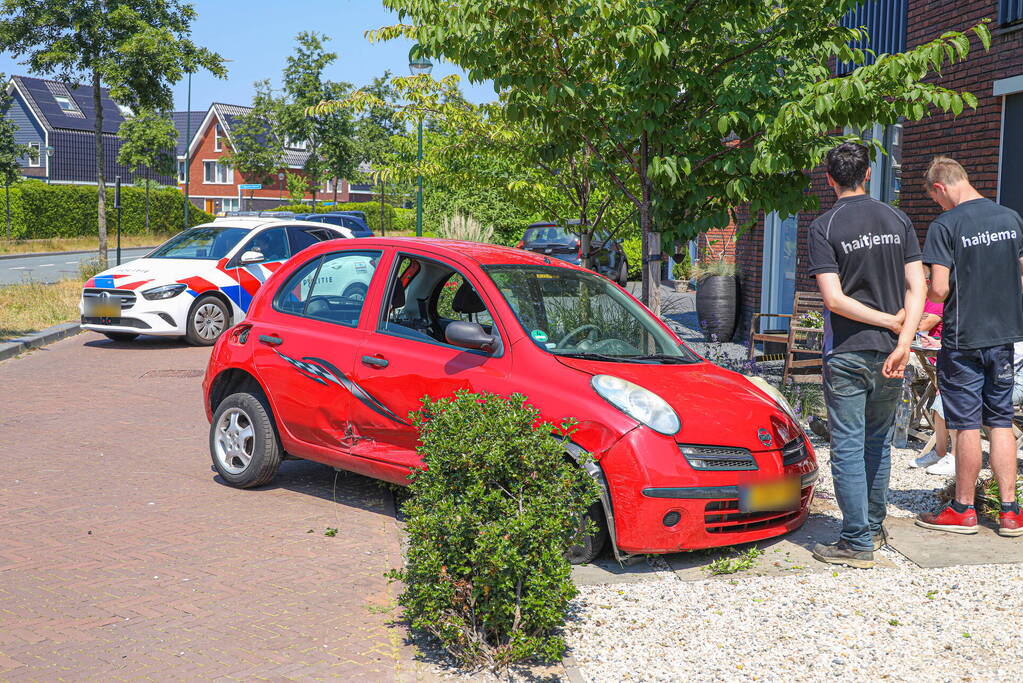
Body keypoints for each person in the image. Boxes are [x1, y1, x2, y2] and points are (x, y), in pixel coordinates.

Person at [808, 142, 927, 568]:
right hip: (891, 355)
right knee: (877, 443)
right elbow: (918, 288)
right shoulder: (898, 219)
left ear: (829, 179)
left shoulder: (825, 226)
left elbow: (835, 301)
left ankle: (856, 541)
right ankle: (872, 529)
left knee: (846, 447)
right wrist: (903, 340)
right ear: (869, 173)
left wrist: (891, 326)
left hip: (848, 351)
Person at [916, 156, 1023, 538]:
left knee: (965, 425)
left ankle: (963, 509)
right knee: (1000, 421)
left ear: (940, 187)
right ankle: (1010, 512)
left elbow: (941, 289)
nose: (938, 206)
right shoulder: (1010, 218)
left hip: (963, 338)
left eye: (935, 199)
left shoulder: (945, 225)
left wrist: (921, 296)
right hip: (1004, 335)